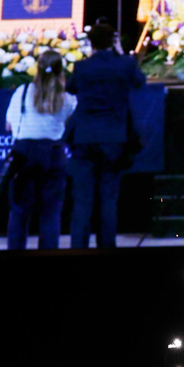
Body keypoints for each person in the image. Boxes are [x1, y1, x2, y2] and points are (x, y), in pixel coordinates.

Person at [65, 19, 144, 250]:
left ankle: (78, 247)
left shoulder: (82, 67)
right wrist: (120, 53)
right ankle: (107, 247)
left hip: (84, 138)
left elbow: (70, 88)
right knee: (108, 198)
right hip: (113, 138)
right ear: (113, 42)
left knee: (82, 201)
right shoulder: (125, 64)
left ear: (91, 43)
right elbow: (140, 82)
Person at [5, 50, 76, 250]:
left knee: (19, 212)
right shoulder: (67, 99)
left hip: (24, 154)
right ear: (61, 71)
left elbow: (8, 125)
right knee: (51, 213)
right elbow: (72, 123)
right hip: (53, 154)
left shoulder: (23, 91)